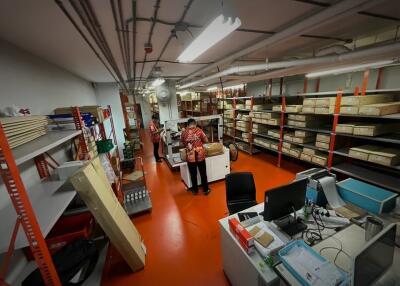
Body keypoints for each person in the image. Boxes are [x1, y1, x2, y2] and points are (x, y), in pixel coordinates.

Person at [181, 118, 211, 195]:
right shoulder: (199, 130)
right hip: (200, 155)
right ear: (195, 124)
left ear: (188, 125)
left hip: (190, 156)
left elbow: (183, 143)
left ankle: (195, 190)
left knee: (193, 174)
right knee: (203, 173)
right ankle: (205, 190)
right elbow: (206, 140)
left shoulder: (184, 132)